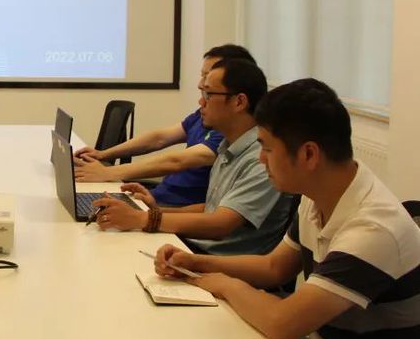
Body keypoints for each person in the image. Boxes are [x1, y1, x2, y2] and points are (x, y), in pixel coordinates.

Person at [153, 79, 420, 339]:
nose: (261, 159)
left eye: (267, 148)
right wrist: (196, 263)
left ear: (308, 155)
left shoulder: (373, 230)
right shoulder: (319, 194)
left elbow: (281, 323)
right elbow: (274, 267)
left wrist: (222, 283)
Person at [94, 58, 292, 256]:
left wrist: (142, 218)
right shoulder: (228, 146)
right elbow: (211, 208)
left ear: (239, 102)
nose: (201, 102)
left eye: (208, 94)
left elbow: (221, 224)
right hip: (196, 247)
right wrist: (150, 210)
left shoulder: (260, 158)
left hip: (216, 260)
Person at [75, 44, 256, 206]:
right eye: (202, 76)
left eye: (208, 77)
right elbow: (159, 138)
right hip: (158, 199)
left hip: (176, 206)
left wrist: (108, 172)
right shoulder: (206, 113)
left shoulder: (227, 128)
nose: (201, 84)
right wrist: (104, 154)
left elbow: (176, 161)